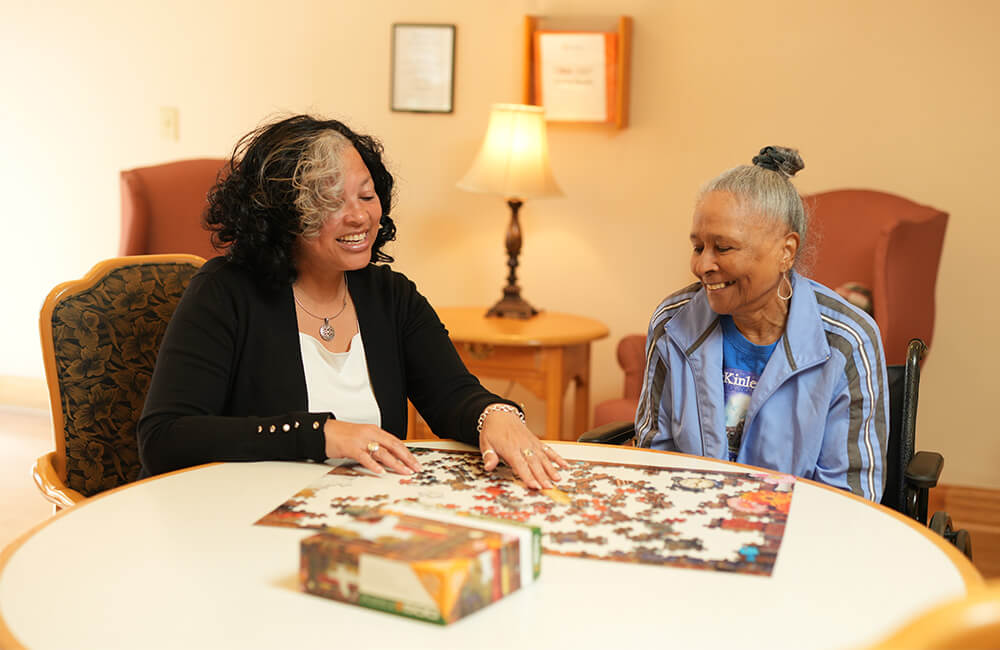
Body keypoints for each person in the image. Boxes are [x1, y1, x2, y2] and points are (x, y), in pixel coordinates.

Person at [138, 114, 568, 489]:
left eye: (366, 196)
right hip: (239, 522)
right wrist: (320, 434)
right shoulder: (224, 292)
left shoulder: (390, 296)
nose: (360, 217)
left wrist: (494, 414)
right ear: (282, 215)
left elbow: (452, 394)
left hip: (362, 519)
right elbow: (165, 438)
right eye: (330, 202)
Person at [634, 146, 888, 501]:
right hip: (688, 530)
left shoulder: (847, 341)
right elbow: (652, 464)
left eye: (723, 248)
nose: (702, 265)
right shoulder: (673, 323)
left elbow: (851, 497)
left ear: (786, 251)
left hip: (801, 540)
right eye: (697, 247)